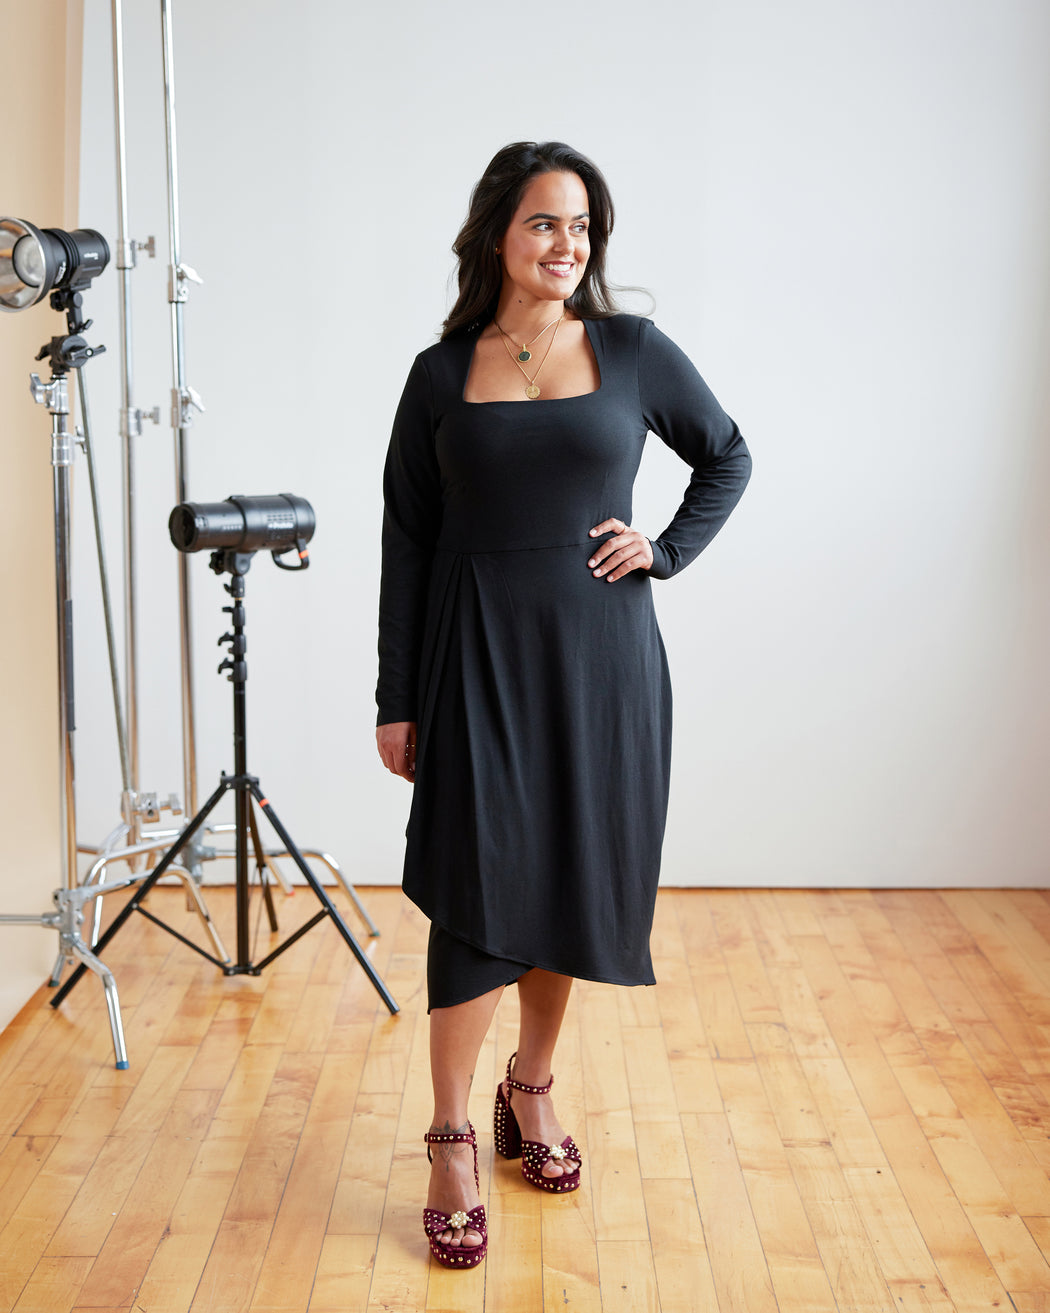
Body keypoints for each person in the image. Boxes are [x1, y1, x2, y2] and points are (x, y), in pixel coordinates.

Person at [375, 141, 751, 1269]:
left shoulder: (632, 350)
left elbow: (725, 456)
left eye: (583, 225)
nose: (568, 243)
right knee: (477, 889)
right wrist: (396, 696)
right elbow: (407, 539)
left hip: (601, 661)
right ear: (498, 229)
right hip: (474, 656)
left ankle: (528, 1087)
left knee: (570, 875)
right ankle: (448, 1133)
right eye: (546, 221)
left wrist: (666, 549)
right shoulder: (441, 374)